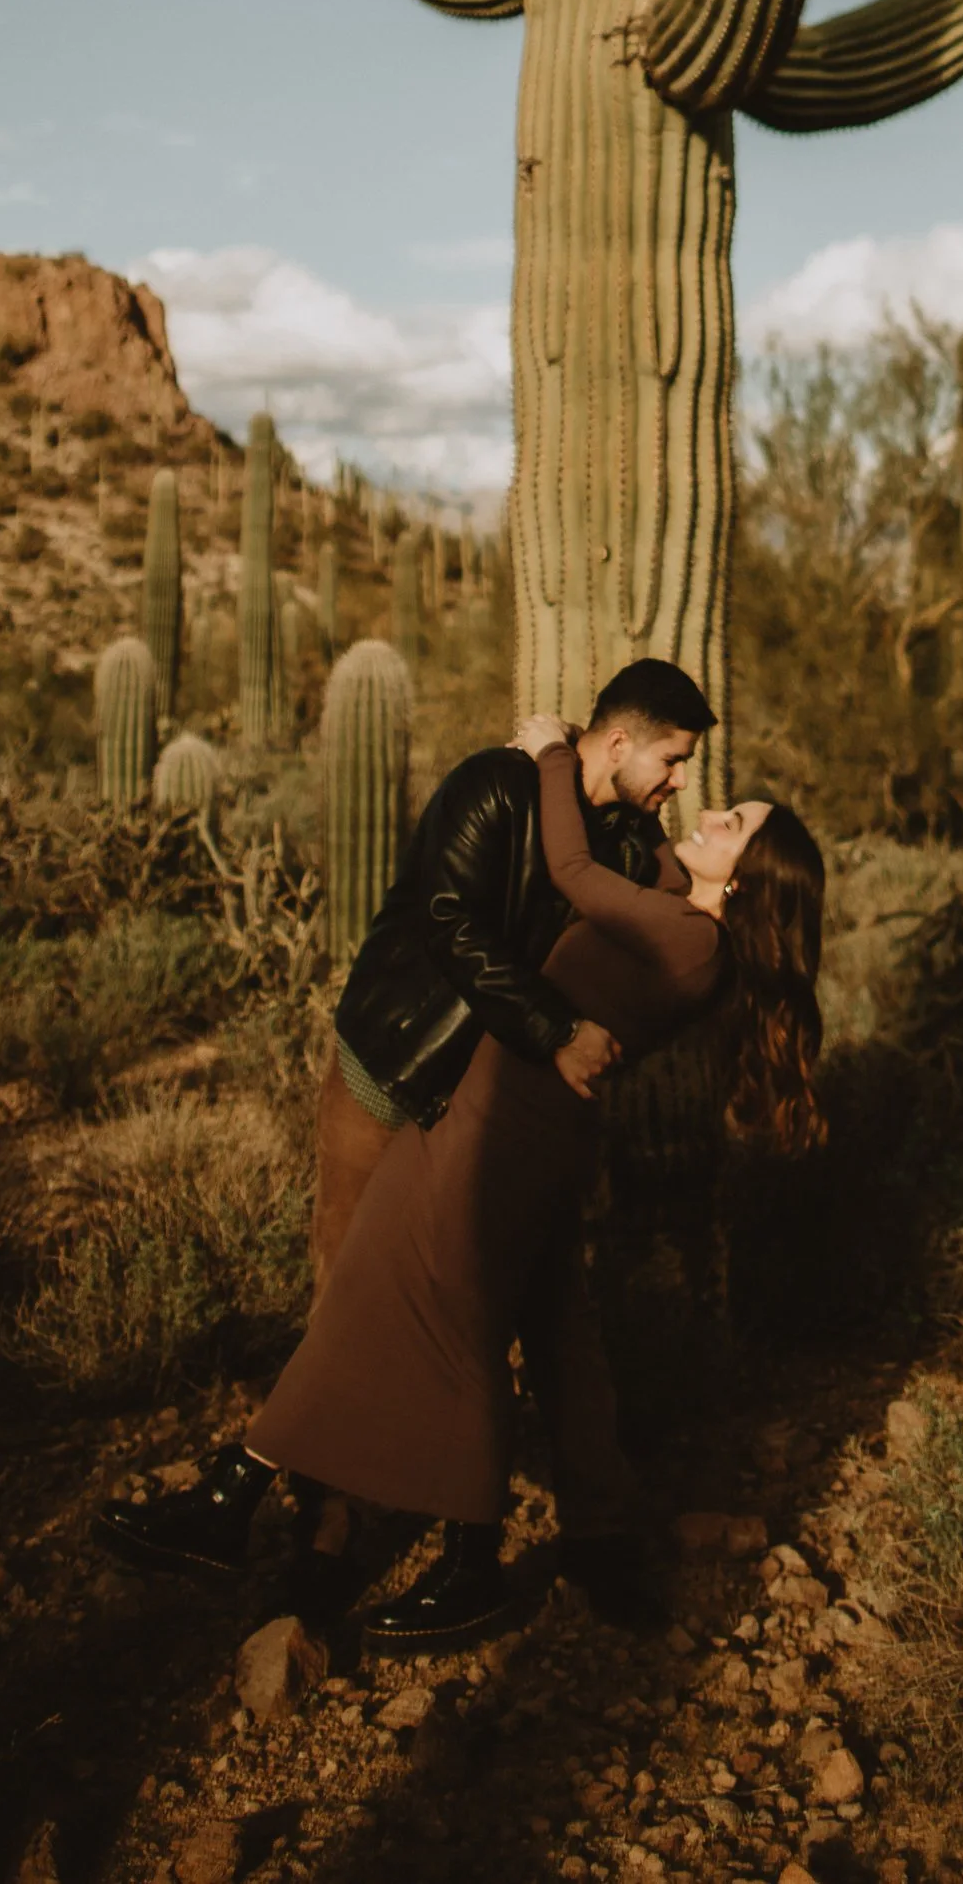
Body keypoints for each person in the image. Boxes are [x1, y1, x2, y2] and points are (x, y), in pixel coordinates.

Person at [97, 656, 712, 1593]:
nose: (678, 783)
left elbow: (671, 902)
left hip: (501, 1110)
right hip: (397, 1069)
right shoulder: (495, 787)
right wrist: (555, 1030)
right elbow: (451, 924)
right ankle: (328, 1536)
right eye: (671, 761)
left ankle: (574, 1535)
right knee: (349, 1288)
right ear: (621, 740)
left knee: (548, 1310)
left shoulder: (624, 839)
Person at [221, 717, 825, 1656]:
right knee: (545, 1326)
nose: (706, 806)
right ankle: (567, 1538)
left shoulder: (687, 937)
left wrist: (553, 752)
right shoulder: (676, 901)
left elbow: (578, 874)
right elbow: (629, 856)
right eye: (684, 771)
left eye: (734, 821)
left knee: (458, 1324)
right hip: (517, 1124)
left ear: (744, 879)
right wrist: (602, 770)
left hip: (509, 1132)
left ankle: (436, 1550)